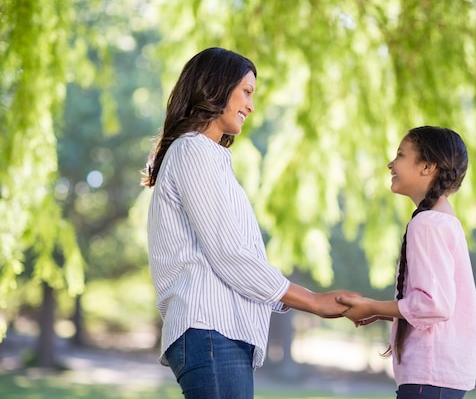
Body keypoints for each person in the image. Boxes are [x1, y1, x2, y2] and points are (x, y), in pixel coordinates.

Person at [141, 47, 357, 399]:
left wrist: (290, 300)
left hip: (220, 333)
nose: (251, 106)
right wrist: (313, 301)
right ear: (216, 87)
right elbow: (230, 256)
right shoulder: (192, 150)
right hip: (210, 330)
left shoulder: (209, 156)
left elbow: (238, 259)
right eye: (246, 91)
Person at [337, 126, 476, 399]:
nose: (391, 163)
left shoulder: (427, 224)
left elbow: (434, 305)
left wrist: (371, 305)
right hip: (440, 376)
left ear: (427, 167)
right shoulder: (443, 221)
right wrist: (381, 312)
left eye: (400, 155)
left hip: (429, 375)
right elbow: (434, 302)